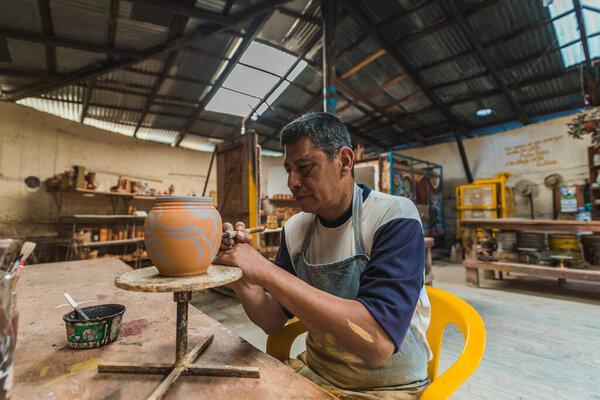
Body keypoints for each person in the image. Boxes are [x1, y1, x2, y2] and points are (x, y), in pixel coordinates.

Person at [215, 112, 431, 399]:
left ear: (344, 161)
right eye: (288, 169)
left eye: (304, 167)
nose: (292, 182)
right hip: (317, 372)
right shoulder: (295, 229)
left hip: (389, 387)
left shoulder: (393, 216)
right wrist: (241, 275)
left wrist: (266, 271)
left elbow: (377, 344)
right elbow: (272, 321)